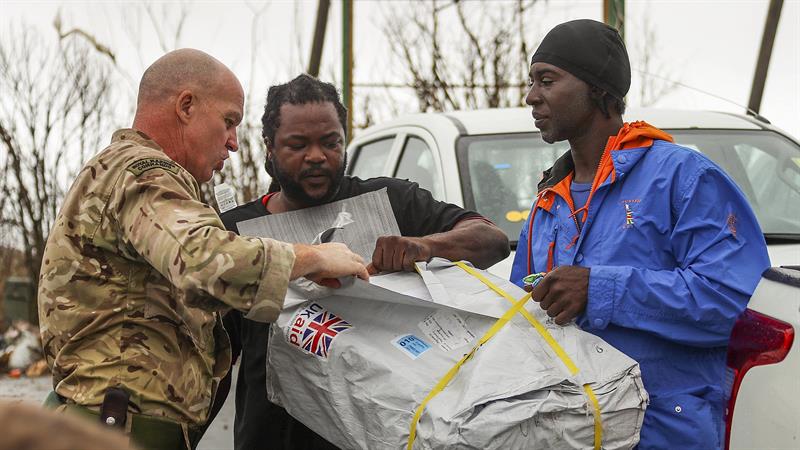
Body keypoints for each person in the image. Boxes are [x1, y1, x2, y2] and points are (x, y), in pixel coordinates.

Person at [37, 49, 368, 450]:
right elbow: (204, 261)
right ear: (187, 106)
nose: (232, 143)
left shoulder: (118, 171)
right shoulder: (144, 174)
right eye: (229, 121)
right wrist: (312, 258)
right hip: (117, 431)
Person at [510, 19, 770, 449]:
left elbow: (733, 302)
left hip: (664, 432)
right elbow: (522, 312)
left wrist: (600, 289)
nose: (531, 96)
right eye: (532, 81)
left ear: (597, 88)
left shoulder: (682, 178)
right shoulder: (547, 201)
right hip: (569, 432)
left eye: (547, 80)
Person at [220, 74, 510, 450]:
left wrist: (423, 246)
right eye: (297, 144)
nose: (316, 156)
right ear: (269, 150)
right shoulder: (236, 232)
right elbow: (214, 356)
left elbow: (493, 240)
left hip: (382, 435)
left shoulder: (391, 201)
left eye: (331, 142)